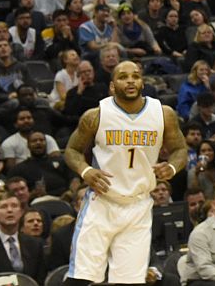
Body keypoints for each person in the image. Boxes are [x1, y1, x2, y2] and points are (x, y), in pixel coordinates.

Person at [62, 59, 189, 286]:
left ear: (142, 82)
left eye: (135, 76)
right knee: (81, 277)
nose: (130, 80)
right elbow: (71, 150)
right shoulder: (96, 115)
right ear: (112, 86)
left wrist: (171, 167)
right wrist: (86, 170)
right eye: (122, 77)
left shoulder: (163, 113)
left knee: (129, 281)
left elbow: (180, 149)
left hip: (138, 205)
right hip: (102, 203)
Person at [0, 193, 49, 280]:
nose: (10, 210)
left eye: (14, 206)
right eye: (3, 207)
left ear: (21, 212)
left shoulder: (35, 244)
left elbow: (40, 279)